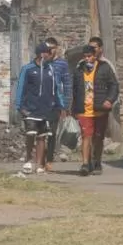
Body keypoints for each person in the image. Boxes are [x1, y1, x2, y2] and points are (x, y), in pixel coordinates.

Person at [14, 43, 62, 175]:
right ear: (42, 54)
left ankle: (40, 164)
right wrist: (19, 106)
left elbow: (56, 89)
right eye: (48, 52)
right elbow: (20, 88)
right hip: (30, 107)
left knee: (42, 137)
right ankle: (28, 159)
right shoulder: (28, 69)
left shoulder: (51, 69)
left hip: (46, 108)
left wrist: (60, 105)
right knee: (31, 133)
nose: (50, 55)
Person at [71, 43, 119, 176]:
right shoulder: (79, 69)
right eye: (85, 57)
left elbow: (114, 85)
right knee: (86, 136)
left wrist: (109, 100)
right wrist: (73, 108)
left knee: (98, 138)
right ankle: (85, 163)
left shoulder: (104, 68)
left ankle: (97, 161)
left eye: (89, 56)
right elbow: (74, 90)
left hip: (100, 109)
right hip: (84, 110)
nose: (87, 59)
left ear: (95, 56)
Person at [43, 37, 71, 172]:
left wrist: (65, 105)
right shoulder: (40, 63)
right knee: (40, 133)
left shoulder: (62, 64)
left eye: (52, 48)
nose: (49, 51)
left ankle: (49, 160)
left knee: (52, 133)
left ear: (56, 49)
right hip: (40, 103)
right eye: (47, 48)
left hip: (55, 104)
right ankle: (39, 160)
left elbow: (66, 84)